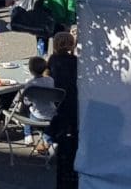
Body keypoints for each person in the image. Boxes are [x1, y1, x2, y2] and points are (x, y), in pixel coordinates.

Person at [47, 31, 78, 187]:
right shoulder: (74, 60)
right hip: (71, 101)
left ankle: (44, 139)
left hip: (55, 102)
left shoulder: (53, 60)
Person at [21, 56, 56, 153]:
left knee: (27, 111)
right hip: (51, 114)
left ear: (30, 70)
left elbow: (26, 101)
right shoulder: (50, 80)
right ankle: (48, 141)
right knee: (47, 122)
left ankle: (28, 135)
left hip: (37, 116)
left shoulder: (30, 84)